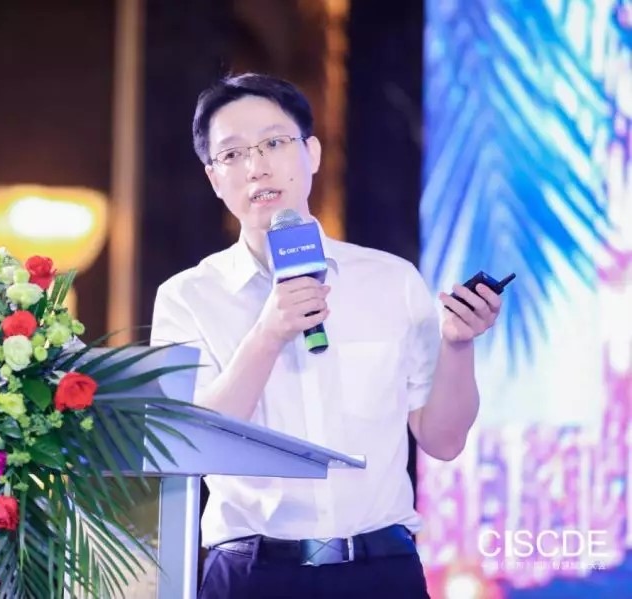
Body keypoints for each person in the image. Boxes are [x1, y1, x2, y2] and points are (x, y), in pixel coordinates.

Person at [149, 73, 503, 598]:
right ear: (214, 179)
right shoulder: (188, 297)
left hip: (381, 570)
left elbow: (444, 441)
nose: (257, 167)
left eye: (274, 143)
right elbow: (193, 449)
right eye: (233, 154)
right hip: (252, 575)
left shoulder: (391, 280)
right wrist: (268, 333)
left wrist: (458, 345)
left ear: (312, 153)